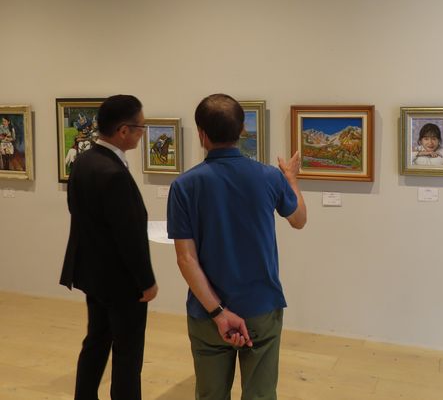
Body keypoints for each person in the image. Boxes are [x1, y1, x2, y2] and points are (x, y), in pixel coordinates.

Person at [167, 93, 307, 400]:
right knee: (260, 395)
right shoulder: (269, 177)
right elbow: (298, 219)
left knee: (210, 395)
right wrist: (292, 180)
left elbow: (186, 259)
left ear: (201, 134)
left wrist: (219, 313)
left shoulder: (184, 186)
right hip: (261, 306)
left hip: (208, 312)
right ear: (242, 130)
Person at [60, 95, 158, 400]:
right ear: (123, 130)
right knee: (128, 353)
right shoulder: (113, 173)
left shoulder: (84, 161)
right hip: (121, 281)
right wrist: (147, 281)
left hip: (94, 275)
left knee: (96, 341)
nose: (142, 134)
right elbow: (128, 237)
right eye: (140, 128)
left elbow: (79, 214)